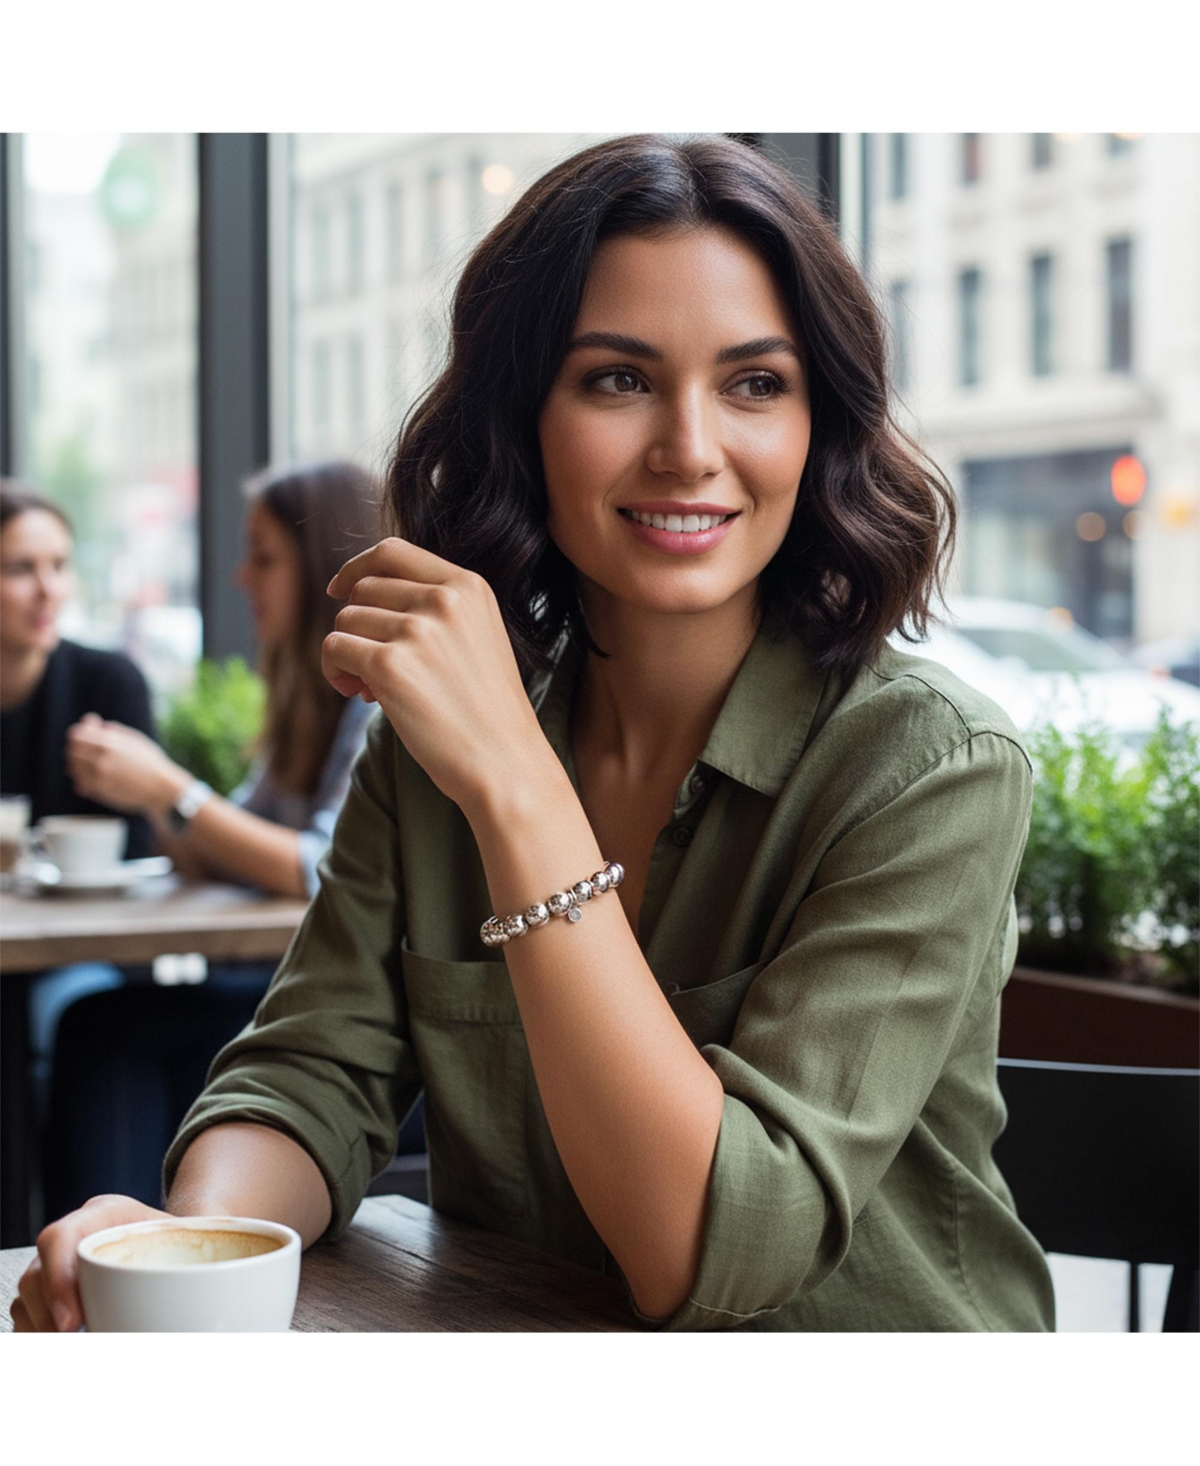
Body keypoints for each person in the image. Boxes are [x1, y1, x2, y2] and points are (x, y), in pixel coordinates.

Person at [15, 135, 1056, 1332]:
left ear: (819, 423)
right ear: (524, 416)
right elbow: (310, 1074)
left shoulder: (931, 768)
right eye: (618, 378)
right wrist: (184, 1245)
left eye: (755, 383)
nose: (690, 447)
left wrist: (516, 785)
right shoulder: (430, 745)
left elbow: (716, 1249)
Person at [38, 461, 385, 1216]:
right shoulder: (304, 697)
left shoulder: (375, 697)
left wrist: (170, 789)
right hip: (291, 978)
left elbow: (317, 866)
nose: (239, 578)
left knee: (100, 1026)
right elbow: (222, 839)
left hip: (357, 1002)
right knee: (100, 1016)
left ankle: (113, 1264)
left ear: (324, 564)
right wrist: (149, 798)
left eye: (262, 557)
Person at [0, 483, 158, 1091]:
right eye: (21, 569)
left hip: (81, 956)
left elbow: (142, 853)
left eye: (59, 566)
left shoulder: (108, 686)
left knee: (76, 1007)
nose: (48, 590)